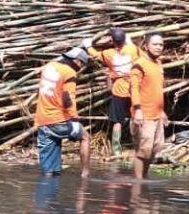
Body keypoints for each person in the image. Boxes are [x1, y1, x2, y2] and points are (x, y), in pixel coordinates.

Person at [34, 48, 91, 178]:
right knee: (85, 137)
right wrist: (74, 119)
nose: (80, 68)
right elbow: (67, 98)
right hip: (58, 119)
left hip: (42, 119)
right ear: (77, 61)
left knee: (49, 171)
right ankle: (85, 176)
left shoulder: (49, 66)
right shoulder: (69, 72)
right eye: (81, 64)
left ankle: (46, 192)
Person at [84, 28, 139, 157]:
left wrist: (88, 46)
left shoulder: (108, 54)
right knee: (135, 117)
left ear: (112, 41)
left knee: (117, 121)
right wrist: (129, 40)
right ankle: (138, 146)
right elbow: (132, 47)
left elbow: (95, 55)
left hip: (119, 90)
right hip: (134, 88)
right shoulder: (132, 49)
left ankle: (116, 149)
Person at [130, 33, 167, 179]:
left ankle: (144, 177)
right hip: (144, 114)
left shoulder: (158, 64)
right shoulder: (139, 64)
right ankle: (138, 183)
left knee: (155, 148)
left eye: (161, 45)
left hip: (157, 114)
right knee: (143, 150)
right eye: (155, 44)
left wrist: (162, 111)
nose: (159, 47)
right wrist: (137, 110)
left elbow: (157, 89)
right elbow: (134, 88)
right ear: (146, 46)